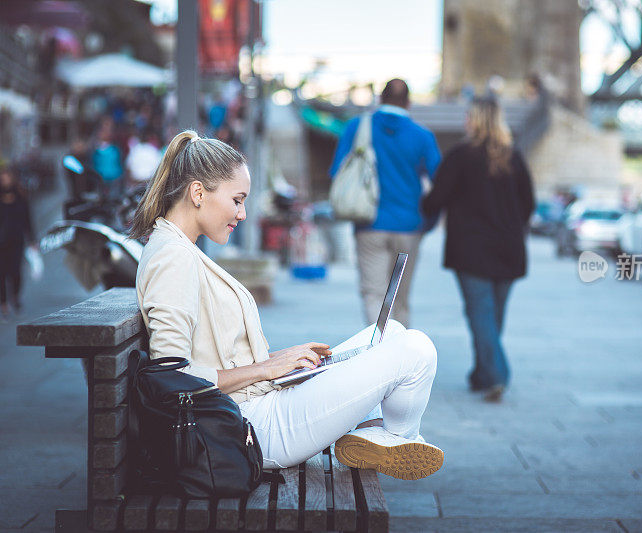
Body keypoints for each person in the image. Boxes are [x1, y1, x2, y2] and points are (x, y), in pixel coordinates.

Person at [129, 131, 443, 479]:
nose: (243, 213)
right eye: (237, 200)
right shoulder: (173, 258)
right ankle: (390, 436)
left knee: (392, 333)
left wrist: (277, 362)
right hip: (250, 428)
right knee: (417, 349)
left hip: (254, 410)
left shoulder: (178, 249)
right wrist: (264, 370)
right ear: (198, 193)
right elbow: (172, 380)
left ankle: (376, 433)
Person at [421, 97, 535, 403]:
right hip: (509, 249)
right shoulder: (515, 157)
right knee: (492, 316)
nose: (465, 122)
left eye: (469, 116)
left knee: (481, 315)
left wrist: (423, 201)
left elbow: (436, 199)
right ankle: (482, 374)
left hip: (471, 250)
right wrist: (510, 226)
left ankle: (497, 375)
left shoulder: (461, 156)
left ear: (479, 121)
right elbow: (528, 204)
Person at [330, 79, 441, 327]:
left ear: (380, 98)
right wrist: (427, 221)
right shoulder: (422, 136)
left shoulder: (357, 128)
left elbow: (338, 171)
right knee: (400, 298)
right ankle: (402, 357)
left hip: (369, 225)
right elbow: (440, 182)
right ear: (408, 102)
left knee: (374, 294)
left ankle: (379, 352)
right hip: (409, 227)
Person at [0, 167, 34, 317]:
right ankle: (3, 303)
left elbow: (28, 219)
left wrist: (32, 239)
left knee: (15, 271)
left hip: (16, 240)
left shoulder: (21, 197)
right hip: (1, 242)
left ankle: (15, 296)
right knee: (1, 273)